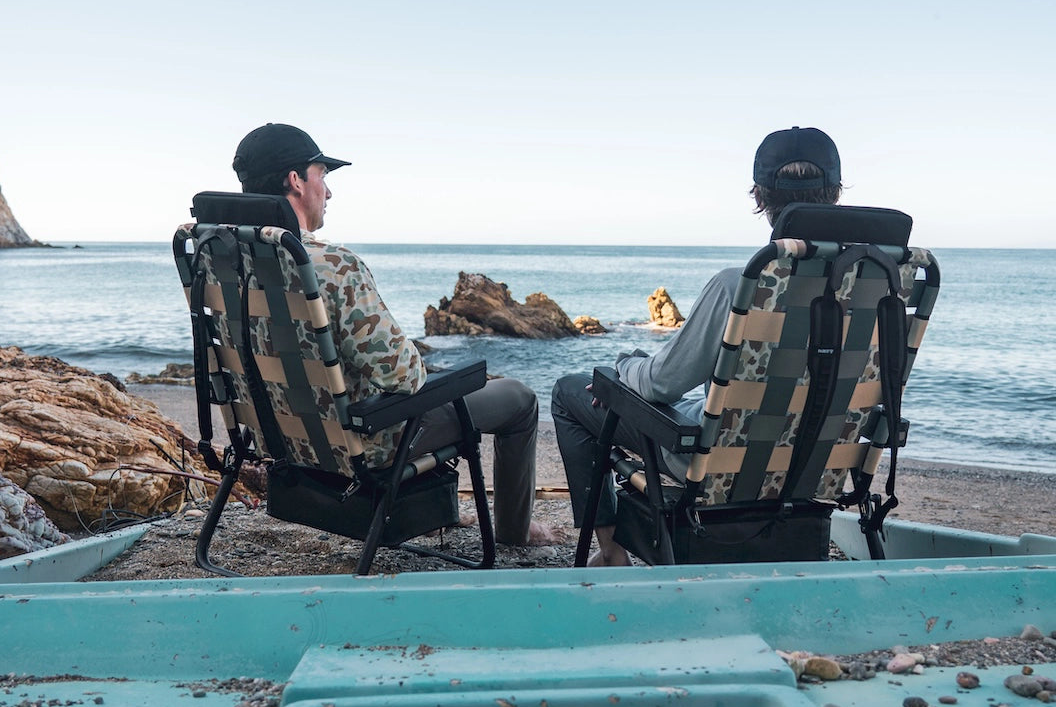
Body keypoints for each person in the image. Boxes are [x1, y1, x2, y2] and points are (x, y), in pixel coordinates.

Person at [232, 122, 556, 546]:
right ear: (296, 181)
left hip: (279, 438)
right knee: (518, 399)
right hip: (362, 443)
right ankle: (516, 532)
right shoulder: (331, 265)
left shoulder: (223, 260)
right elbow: (404, 376)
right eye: (322, 177)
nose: (328, 192)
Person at [551, 126, 843, 566]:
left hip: (724, 467)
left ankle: (611, 552)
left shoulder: (742, 285)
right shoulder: (885, 288)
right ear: (836, 193)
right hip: (819, 468)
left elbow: (661, 384)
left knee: (571, 392)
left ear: (760, 197)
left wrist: (624, 367)